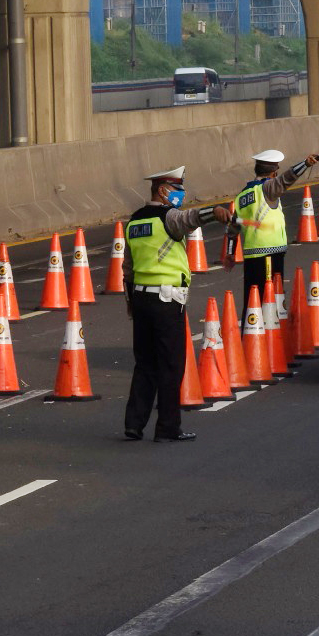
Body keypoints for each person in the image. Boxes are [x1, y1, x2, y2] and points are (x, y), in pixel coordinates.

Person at [123, 166, 233, 443]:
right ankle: (168, 428)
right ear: (162, 191)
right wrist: (215, 212)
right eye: (177, 189)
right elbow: (190, 218)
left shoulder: (134, 222)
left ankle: (134, 424)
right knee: (171, 365)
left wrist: (130, 303)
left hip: (140, 299)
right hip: (166, 300)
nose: (181, 194)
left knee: (145, 363)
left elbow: (128, 268)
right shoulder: (167, 217)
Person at [230, 149, 319, 310]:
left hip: (251, 253)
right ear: (274, 172)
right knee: (272, 299)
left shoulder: (242, 195)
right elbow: (287, 179)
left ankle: (249, 331)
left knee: (252, 299)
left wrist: (230, 253)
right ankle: (271, 332)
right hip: (270, 254)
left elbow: (233, 227)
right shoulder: (267, 189)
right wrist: (305, 164)